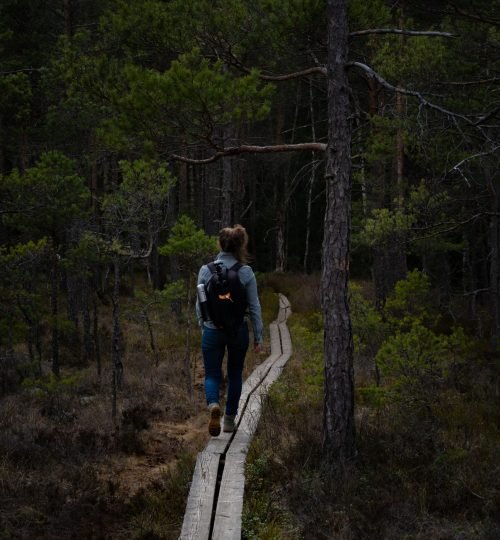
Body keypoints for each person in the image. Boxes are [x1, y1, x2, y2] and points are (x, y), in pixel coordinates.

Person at [196, 224, 263, 436]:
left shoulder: (205, 271)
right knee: (235, 374)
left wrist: (204, 327)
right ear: (239, 246)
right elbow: (254, 307)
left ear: (220, 244)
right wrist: (258, 336)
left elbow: (199, 304)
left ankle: (213, 404)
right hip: (238, 331)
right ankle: (229, 420)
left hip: (212, 330)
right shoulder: (245, 272)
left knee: (212, 374)